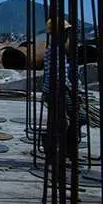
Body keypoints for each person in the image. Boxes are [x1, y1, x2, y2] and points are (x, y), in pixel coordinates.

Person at [42, 17, 83, 157]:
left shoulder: (60, 50)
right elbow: (58, 76)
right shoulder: (54, 51)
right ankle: (58, 147)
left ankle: (64, 148)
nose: (66, 35)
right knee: (72, 119)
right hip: (57, 90)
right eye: (64, 32)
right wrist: (72, 91)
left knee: (68, 120)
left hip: (60, 90)